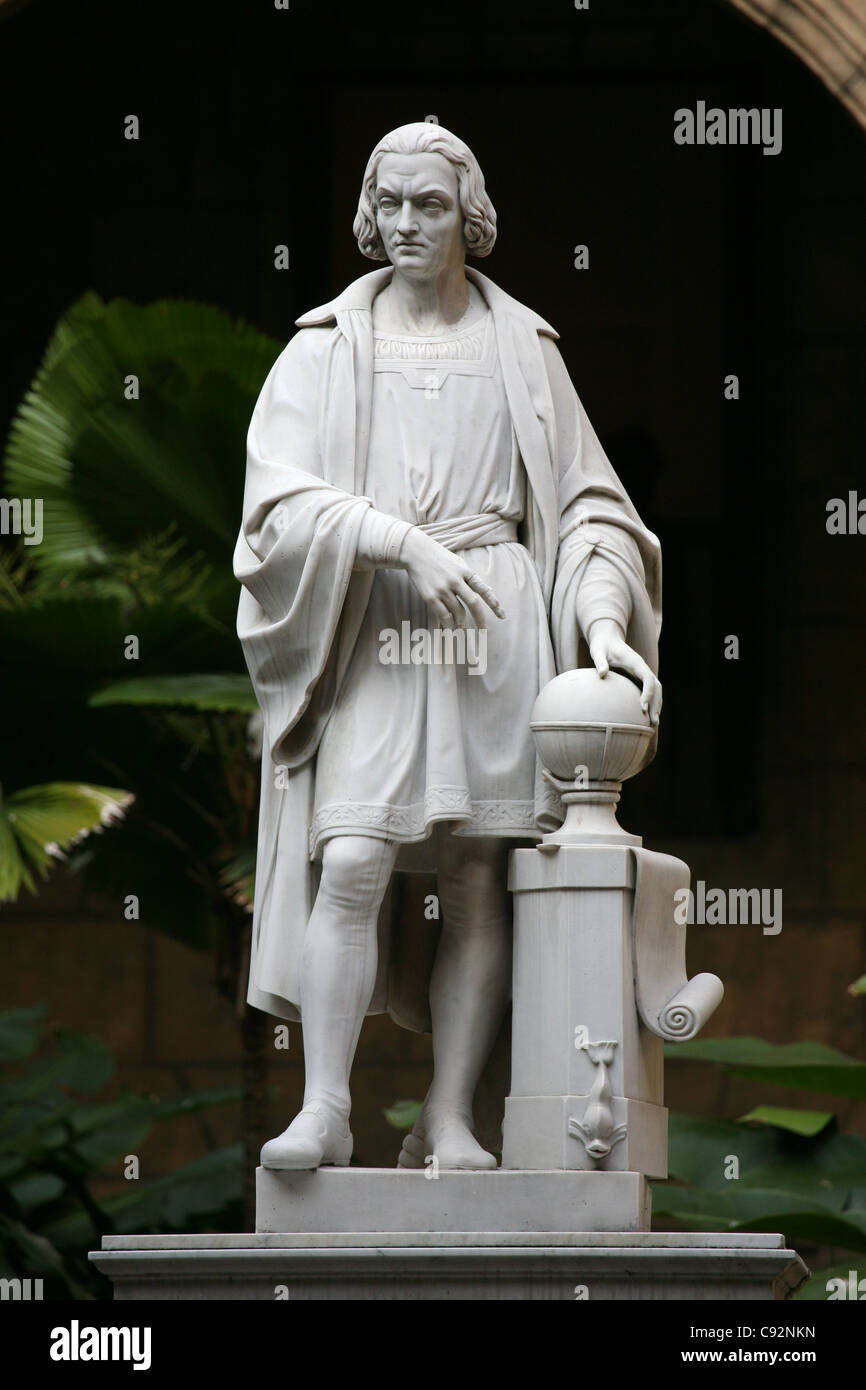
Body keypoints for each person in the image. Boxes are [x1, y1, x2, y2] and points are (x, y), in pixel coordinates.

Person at [234, 121, 662, 1171]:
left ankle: (451, 1116)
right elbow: (274, 513)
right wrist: (392, 542)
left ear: (468, 216)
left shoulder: (522, 348)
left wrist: (601, 622)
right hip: (377, 622)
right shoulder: (323, 347)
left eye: (430, 205)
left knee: (476, 874)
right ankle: (324, 1106)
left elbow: (589, 511)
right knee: (355, 857)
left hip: (495, 622)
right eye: (390, 205)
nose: (408, 224)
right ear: (367, 216)